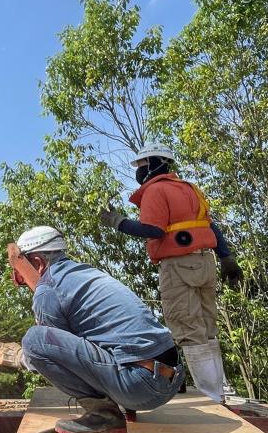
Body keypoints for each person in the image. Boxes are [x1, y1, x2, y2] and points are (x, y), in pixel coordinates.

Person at [0, 225, 184, 433]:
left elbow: (54, 353)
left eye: (19, 275)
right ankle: (124, 404)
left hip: (141, 386)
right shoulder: (83, 274)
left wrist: (20, 357)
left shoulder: (48, 289)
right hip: (172, 378)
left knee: (34, 340)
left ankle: (104, 415)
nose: (19, 281)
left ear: (37, 263)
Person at [99, 143, 242, 403]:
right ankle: (221, 391)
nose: (138, 171)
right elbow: (209, 226)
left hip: (179, 265)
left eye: (141, 165)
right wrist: (226, 257)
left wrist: (118, 222)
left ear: (154, 164)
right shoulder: (190, 189)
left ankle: (212, 398)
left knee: (188, 330)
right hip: (205, 262)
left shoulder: (155, 190)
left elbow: (153, 230)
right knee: (207, 329)